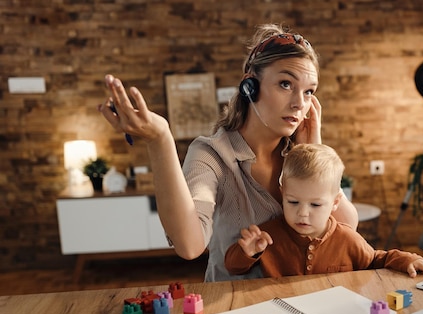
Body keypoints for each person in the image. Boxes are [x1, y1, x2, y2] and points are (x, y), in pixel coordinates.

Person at [99, 24, 359, 281]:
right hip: (234, 308)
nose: (299, 103)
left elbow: (347, 228)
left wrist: (314, 150)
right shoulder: (212, 155)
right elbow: (190, 246)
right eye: (285, 84)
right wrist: (160, 140)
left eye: (309, 91)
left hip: (297, 303)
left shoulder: (299, 154)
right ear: (250, 87)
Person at [224, 143, 423, 278]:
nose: (302, 213)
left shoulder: (347, 238)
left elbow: (376, 259)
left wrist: (408, 259)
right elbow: (233, 267)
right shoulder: (268, 236)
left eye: (315, 205)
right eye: (293, 202)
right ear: (282, 194)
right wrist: (248, 252)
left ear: (335, 203)